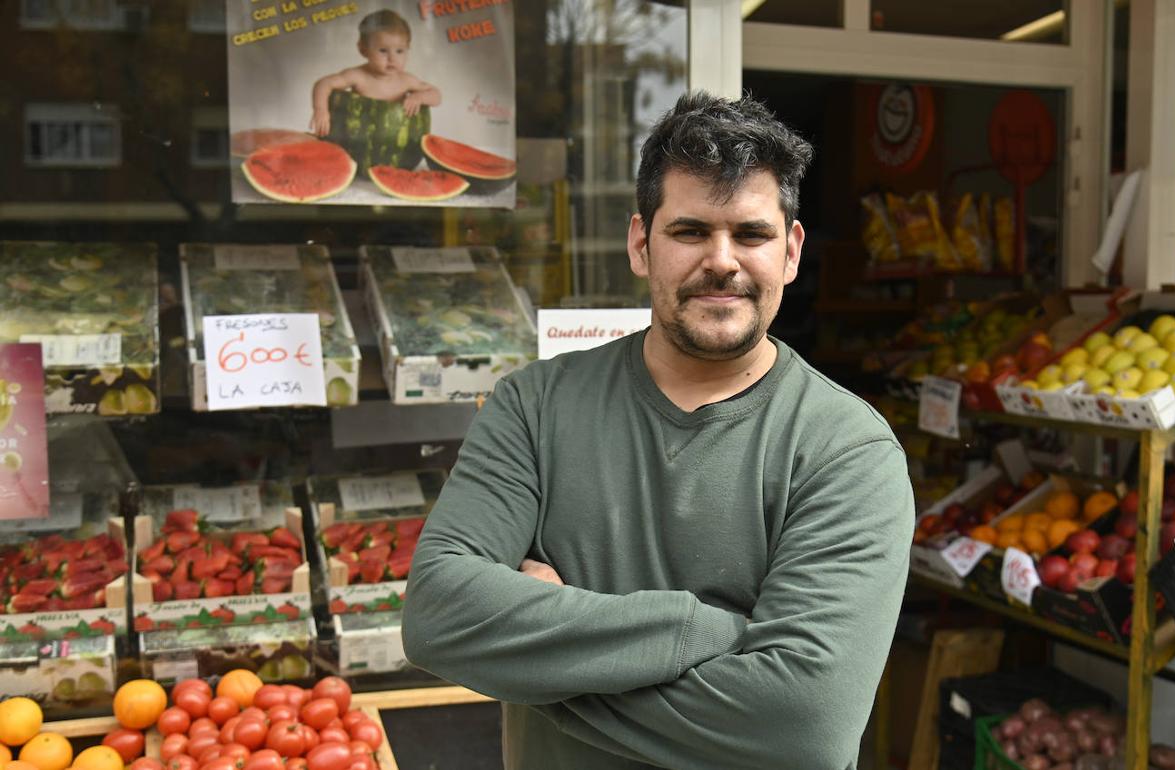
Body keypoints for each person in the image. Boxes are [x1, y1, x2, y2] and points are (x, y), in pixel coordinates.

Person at [402, 91, 913, 769]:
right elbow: (438, 614)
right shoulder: (534, 406)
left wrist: (539, 667)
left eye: (751, 234)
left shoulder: (848, 450)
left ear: (790, 252)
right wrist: (702, 630)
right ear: (642, 243)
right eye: (691, 231)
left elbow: (803, 730)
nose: (723, 260)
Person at [309, 9, 441, 137]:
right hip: (357, 139)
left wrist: (419, 97)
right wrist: (320, 110)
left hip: (395, 141)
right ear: (363, 50)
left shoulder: (406, 80)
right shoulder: (358, 76)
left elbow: (436, 95)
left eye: (399, 51)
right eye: (383, 50)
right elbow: (323, 84)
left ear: (408, 49)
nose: (392, 58)